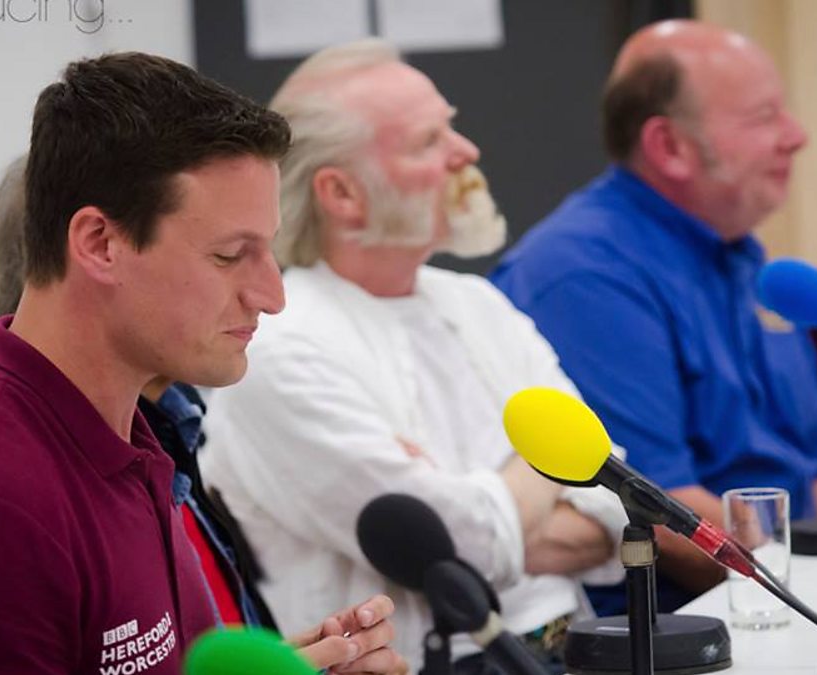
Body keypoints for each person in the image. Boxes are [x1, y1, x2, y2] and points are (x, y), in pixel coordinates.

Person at [0, 52, 400, 675]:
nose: (271, 296)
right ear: (100, 244)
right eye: (230, 255)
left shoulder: (119, 435)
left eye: (267, 250)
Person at [202, 39, 628, 675]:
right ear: (342, 194)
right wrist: (544, 468)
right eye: (429, 141)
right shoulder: (283, 345)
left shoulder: (478, 303)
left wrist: (482, 502)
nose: (466, 152)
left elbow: (614, 496)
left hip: (581, 646)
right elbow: (456, 545)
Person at [492, 20, 817, 611]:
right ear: (669, 147)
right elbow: (665, 514)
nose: (796, 136)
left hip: (788, 579)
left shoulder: (739, 251)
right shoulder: (583, 275)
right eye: (764, 117)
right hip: (695, 618)